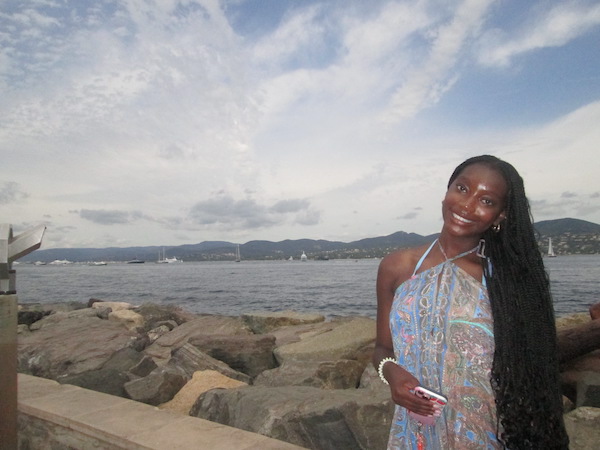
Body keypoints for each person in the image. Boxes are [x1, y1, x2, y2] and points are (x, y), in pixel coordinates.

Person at [373, 155, 569, 449]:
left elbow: (530, 366)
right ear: (447, 191)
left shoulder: (506, 281)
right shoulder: (398, 267)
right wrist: (391, 372)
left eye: (487, 201)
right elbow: (383, 348)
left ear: (501, 215)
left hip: (487, 433)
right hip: (417, 431)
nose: (466, 205)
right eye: (462, 189)